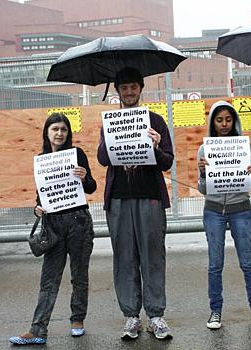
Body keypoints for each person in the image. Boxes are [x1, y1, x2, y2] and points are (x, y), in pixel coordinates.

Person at [97, 67, 174, 340]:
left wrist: (155, 145)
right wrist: (112, 136)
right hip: (119, 198)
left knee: (153, 255)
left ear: (141, 89)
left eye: (133, 87)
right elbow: (103, 159)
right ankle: (131, 316)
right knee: (125, 257)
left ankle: (155, 315)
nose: (129, 92)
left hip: (149, 196)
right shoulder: (110, 122)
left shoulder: (155, 120)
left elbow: (167, 161)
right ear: (117, 91)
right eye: (124, 88)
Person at [9, 113, 96, 345]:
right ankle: (38, 329)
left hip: (78, 221)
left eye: (63, 130)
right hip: (53, 225)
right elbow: (41, 196)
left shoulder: (76, 154)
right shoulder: (41, 160)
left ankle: (77, 319)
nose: (59, 134)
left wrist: (84, 176)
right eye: (55, 129)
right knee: (49, 279)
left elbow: (91, 187)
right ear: (47, 133)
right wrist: (37, 208)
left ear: (68, 133)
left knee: (79, 275)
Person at [197, 101, 251, 329]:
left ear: (234, 121)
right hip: (214, 211)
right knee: (215, 264)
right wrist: (202, 173)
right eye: (219, 120)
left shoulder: (244, 147)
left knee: (247, 262)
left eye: (228, 119)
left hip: (241, 210)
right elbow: (202, 189)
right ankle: (215, 311)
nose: (224, 124)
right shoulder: (204, 149)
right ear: (213, 123)